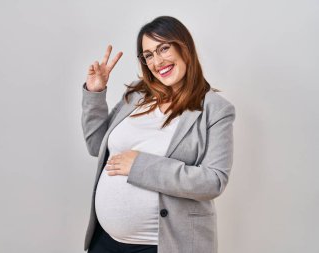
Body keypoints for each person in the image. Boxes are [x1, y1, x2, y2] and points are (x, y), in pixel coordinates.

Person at [81, 16, 236, 253]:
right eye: (149, 55)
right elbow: (96, 146)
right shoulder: (137, 95)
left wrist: (141, 166)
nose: (157, 61)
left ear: (184, 47)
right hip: (106, 242)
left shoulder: (215, 109)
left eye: (164, 48)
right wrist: (95, 92)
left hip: (164, 245)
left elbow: (213, 181)